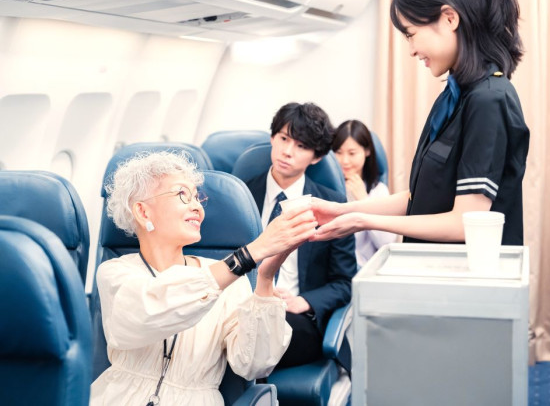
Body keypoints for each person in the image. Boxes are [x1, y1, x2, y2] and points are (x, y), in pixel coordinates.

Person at [312, 0, 530, 246]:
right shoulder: (454, 97)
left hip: (467, 280)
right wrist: (343, 210)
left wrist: (362, 222)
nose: (412, 50)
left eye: (411, 34)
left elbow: (467, 222)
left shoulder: (489, 101)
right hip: (435, 269)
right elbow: (420, 198)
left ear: (450, 18)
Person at [91, 151, 318, 405]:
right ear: (143, 213)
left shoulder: (232, 282)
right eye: (182, 195)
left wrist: (264, 279)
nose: (197, 206)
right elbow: (151, 310)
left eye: (198, 197)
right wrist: (247, 256)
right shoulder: (116, 273)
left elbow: (253, 365)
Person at [243, 102, 356, 370]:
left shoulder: (332, 207)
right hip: (241, 307)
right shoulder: (243, 197)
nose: (287, 152)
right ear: (272, 138)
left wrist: (302, 302)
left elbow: (344, 282)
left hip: (294, 318)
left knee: (260, 334)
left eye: (301, 146)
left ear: (316, 157)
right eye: (283, 139)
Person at [332, 119, 396, 266]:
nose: (345, 161)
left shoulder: (378, 191)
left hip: (366, 269)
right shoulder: (326, 190)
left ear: (367, 151)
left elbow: (386, 243)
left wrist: (364, 201)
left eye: (352, 153)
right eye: (339, 152)